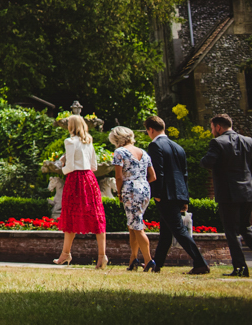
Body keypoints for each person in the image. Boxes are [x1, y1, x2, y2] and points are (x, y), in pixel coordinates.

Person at [143, 114, 210, 275]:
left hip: (165, 194)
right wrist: (185, 198)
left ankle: (201, 263)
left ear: (150, 130)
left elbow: (157, 172)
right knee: (166, 231)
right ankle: (156, 264)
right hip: (178, 193)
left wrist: (157, 193)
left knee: (178, 230)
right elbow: (184, 174)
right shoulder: (178, 147)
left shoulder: (155, 146)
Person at [52, 113, 107, 267]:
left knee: (70, 215)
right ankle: (102, 256)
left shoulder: (69, 142)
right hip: (89, 179)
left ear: (71, 126)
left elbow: (69, 166)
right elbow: (94, 166)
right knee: (96, 216)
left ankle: (65, 253)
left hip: (75, 180)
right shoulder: (88, 141)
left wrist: (62, 165)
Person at [203, 113, 252, 277]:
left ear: (218, 127)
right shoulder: (248, 141)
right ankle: (240, 267)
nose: (212, 132)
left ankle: (240, 268)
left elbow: (208, 162)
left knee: (231, 231)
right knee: (246, 228)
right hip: (247, 192)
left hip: (228, 193)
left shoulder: (217, 142)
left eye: (212, 128)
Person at [107, 126, 153, 271]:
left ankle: (149, 260)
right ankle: (133, 259)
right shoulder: (143, 152)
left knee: (137, 227)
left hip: (130, 190)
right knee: (133, 225)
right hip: (145, 189)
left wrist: (120, 193)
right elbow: (153, 176)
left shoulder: (119, 152)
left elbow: (119, 177)